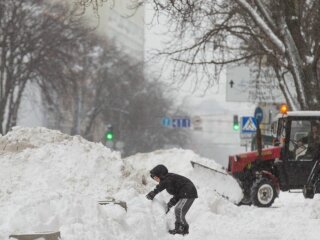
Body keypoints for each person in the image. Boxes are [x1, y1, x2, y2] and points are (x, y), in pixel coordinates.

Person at [145, 164, 198, 235]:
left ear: (160, 174)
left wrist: (153, 193)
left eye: (156, 177)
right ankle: (182, 229)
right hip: (184, 193)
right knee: (178, 209)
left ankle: (181, 229)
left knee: (179, 209)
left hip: (188, 192)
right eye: (154, 178)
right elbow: (177, 194)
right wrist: (170, 204)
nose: (155, 179)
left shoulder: (168, 179)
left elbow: (160, 186)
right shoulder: (169, 180)